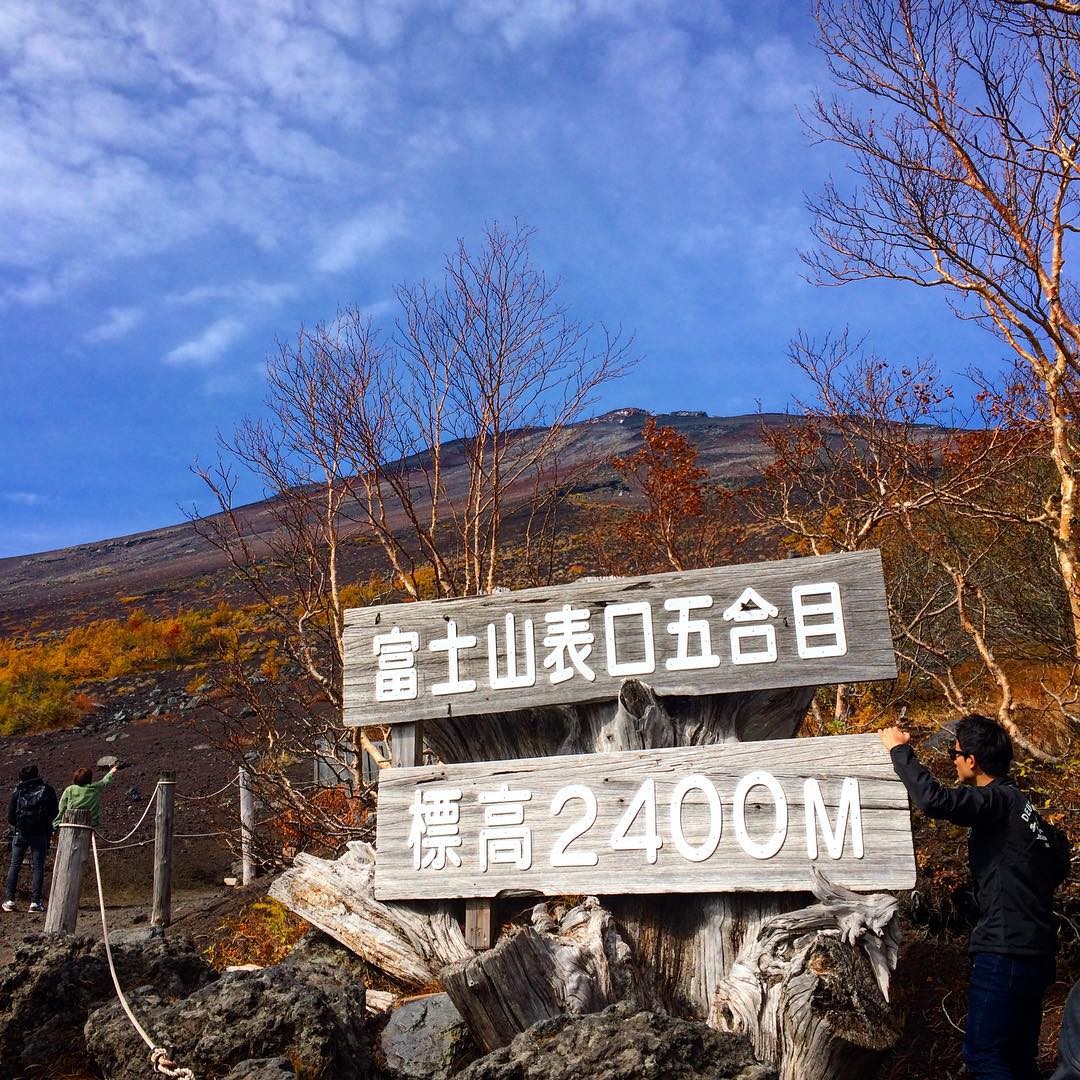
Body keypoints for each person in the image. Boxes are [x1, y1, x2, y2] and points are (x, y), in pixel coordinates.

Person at [880, 714, 1069, 1080]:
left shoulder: (997, 800)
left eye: (955, 753)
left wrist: (900, 751)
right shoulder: (1026, 811)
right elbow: (1057, 864)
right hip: (1038, 953)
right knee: (1018, 1061)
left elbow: (934, 801)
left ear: (973, 760)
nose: (952, 759)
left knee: (984, 1058)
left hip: (1004, 952)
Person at [4, 764, 59, 913]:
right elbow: (54, 811)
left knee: (15, 866)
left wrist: (20, 825)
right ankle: (35, 902)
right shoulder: (47, 790)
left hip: (21, 833)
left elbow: (10, 817)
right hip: (40, 834)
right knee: (38, 867)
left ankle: (9, 901)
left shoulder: (18, 791)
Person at [54, 764, 118, 828]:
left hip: (70, 822)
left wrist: (57, 823)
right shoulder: (94, 788)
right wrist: (111, 772)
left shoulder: (70, 790)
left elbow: (62, 808)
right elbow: (104, 781)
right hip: (91, 823)